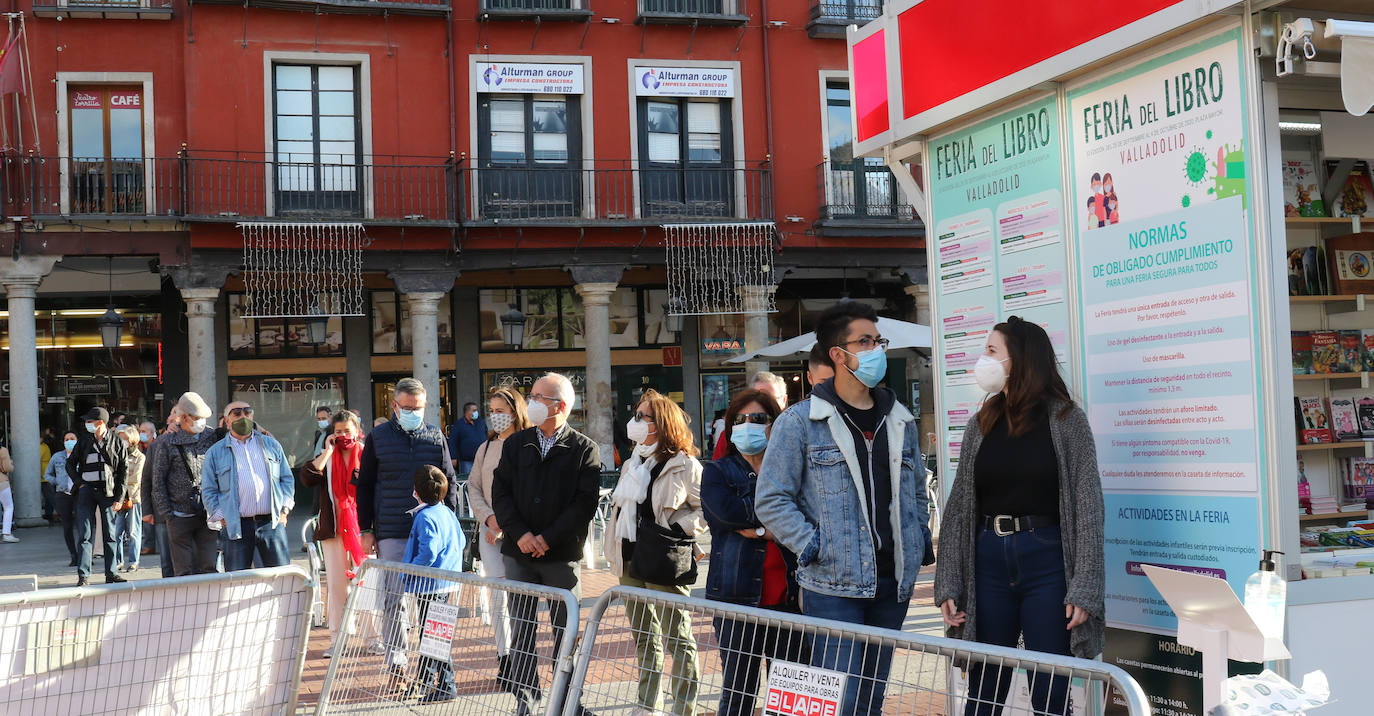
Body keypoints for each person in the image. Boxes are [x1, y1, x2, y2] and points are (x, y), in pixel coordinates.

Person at [755, 301, 932, 716]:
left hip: (893, 582)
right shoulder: (800, 421)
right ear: (838, 354)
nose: (876, 350)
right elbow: (771, 499)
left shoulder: (899, 419)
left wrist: (918, 535)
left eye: (878, 341)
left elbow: (916, 491)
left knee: (871, 698)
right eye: (865, 341)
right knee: (839, 701)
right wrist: (813, 545)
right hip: (833, 586)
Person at [935, 317, 1105, 716]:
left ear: (1021, 359)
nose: (983, 358)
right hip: (988, 560)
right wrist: (949, 581)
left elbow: (1088, 505)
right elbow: (960, 507)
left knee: (1049, 686)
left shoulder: (1067, 420)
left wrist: (1085, 585)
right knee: (984, 688)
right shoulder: (982, 422)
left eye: (992, 351)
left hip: (1046, 561)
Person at [491, 372, 600, 716]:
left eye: (539, 397)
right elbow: (501, 493)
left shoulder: (585, 449)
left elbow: (584, 505)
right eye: (532, 395)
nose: (531, 401)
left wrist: (547, 538)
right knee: (521, 631)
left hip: (561, 555)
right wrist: (521, 534)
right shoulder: (515, 443)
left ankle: (568, 702)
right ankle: (526, 700)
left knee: (565, 631)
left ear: (560, 406)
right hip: (518, 553)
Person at [702, 388, 808, 716]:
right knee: (739, 695)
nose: (748, 424)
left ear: (775, 424)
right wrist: (772, 527)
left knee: (789, 700)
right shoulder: (717, 472)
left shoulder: (792, 469)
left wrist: (755, 526)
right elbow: (725, 513)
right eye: (740, 419)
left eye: (758, 419)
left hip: (789, 602)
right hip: (736, 602)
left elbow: (805, 516)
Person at [603, 389, 705, 716]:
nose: (634, 422)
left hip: (664, 556)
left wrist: (678, 529)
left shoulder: (685, 465)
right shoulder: (633, 462)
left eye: (641, 416)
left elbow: (707, 511)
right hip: (630, 557)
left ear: (661, 424)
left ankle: (683, 708)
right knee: (644, 637)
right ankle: (648, 706)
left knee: (678, 638)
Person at [356, 377, 458, 672]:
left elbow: (449, 480)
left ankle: (435, 666)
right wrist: (366, 528)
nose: (414, 412)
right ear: (395, 406)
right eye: (408, 407)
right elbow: (365, 485)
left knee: (433, 600)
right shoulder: (378, 437)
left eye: (420, 407)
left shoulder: (435, 435)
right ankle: (396, 661)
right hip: (392, 528)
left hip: (432, 531)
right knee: (394, 599)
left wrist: (448, 518)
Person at [465, 386, 531, 689]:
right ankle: (505, 658)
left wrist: (508, 524)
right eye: (491, 410)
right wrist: (489, 519)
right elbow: (473, 488)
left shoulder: (528, 443)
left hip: (520, 533)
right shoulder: (486, 448)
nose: (494, 416)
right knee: (498, 598)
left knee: (520, 598)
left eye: (501, 411)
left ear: (515, 411)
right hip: (491, 534)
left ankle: (522, 658)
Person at [301, 410, 369, 658]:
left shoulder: (366, 453)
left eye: (346, 431)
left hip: (363, 530)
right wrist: (328, 451)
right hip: (334, 530)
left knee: (366, 584)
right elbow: (308, 477)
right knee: (337, 586)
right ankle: (338, 639)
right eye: (337, 432)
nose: (342, 436)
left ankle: (373, 638)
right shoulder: (327, 457)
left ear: (356, 430)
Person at [201, 401, 296, 571]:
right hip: (236, 526)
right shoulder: (215, 453)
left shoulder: (271, 445)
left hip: (271, 523)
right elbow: (208, 490)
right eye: (237, 413)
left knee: (281, 578)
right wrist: (223, 517)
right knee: (238, 581)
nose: (243, 417)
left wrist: (284, 510)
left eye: (247, 412)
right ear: (227, 421)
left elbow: (286, 479)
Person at [404, 464, 465, 704]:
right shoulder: (446, 512)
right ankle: (430, 681)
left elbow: (428, 552)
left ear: (417, 491)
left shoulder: (425, 517)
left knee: (434, 636)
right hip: (447, 581)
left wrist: (412, 570)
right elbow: (460, 540)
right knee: (435, 634)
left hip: (430, 584)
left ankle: (445, 684)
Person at [150, 393, 220, 576]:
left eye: (203, 418)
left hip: (208, 512)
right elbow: (158, 480)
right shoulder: (167, 441)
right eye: (196, 418)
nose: (201, 422)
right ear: (184, 417)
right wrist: (168, 514)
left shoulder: (211, 436)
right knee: (183, 570)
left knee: (209, 566)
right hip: (178, 514)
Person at [67, 407, 132, 586]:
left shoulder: (117, 442)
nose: (87, 424)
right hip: (87, 491)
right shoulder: (84, 441)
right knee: (84, 534)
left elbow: (123, 471)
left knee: (110, 534)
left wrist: (120, 498)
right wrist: (80, 483)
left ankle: (111, 573)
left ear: (100, 423)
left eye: (90, 421)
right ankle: (83, 575)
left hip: (108, 492)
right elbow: (70, 464)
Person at [712, 371, 787, 460]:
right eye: (758, 396)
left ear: (784, 400)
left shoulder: (797, 433)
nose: (763, 403)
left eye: (770, 398)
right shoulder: (730, 435)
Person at [111, 425, 146, 572]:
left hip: (133, 498)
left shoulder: (139, 457)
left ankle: (133, 562)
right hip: (118, 498)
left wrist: (124, 492)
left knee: (133, 531)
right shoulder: (116, 455)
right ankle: (118, 561)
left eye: (124, 438)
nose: (121, 441)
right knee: (117, 532)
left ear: (131, 440)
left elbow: (135, 479)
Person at [48, 432, 79, 564]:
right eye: (67, 439)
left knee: (83, 526)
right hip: (63, 494)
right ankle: (73, 555)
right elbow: (47, 474)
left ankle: (84, 554)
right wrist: (58, 482)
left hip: (79, 493)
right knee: (67, 526)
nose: (69, 441)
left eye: (72, 439)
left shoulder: (82, 455)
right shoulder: (57, 457)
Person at [449, 401, 488, 475]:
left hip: (482, 459)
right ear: (467, 412)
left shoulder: (480, 422)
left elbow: (486, 435)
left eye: (476, 410)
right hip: (466, 461)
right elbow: (453, 441)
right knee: (468, 480)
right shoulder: (459, 425)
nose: (476, 412)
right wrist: (453, 457)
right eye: (474, 410)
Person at [0, 438, 14, 543]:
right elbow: (7, 468)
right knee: (8, 507)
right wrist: (11, 464)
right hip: (1, 481)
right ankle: (7, 533)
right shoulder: (2, 450)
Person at [40, 428, 55, 523]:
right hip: (44, 475)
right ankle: (48, 513)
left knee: (49, 497)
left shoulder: (42, 447)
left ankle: (49, 514)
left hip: (44, 476)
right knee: (48, 496)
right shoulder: (44, 446)